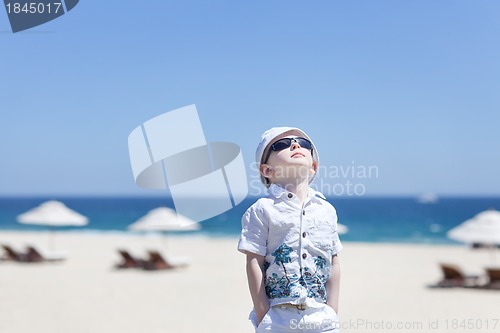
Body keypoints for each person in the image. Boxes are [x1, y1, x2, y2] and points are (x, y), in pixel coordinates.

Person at [238, 127, 343, 332]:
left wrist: (333, 309)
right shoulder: (262, 209)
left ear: (313, 166)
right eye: (282, 145)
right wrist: (263, 314)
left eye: (304, 144)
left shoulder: (327, 210)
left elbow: (334, 261)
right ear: (267, 170)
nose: (295, 145)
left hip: (322, 316)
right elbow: (254, 262)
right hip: (278, 317)